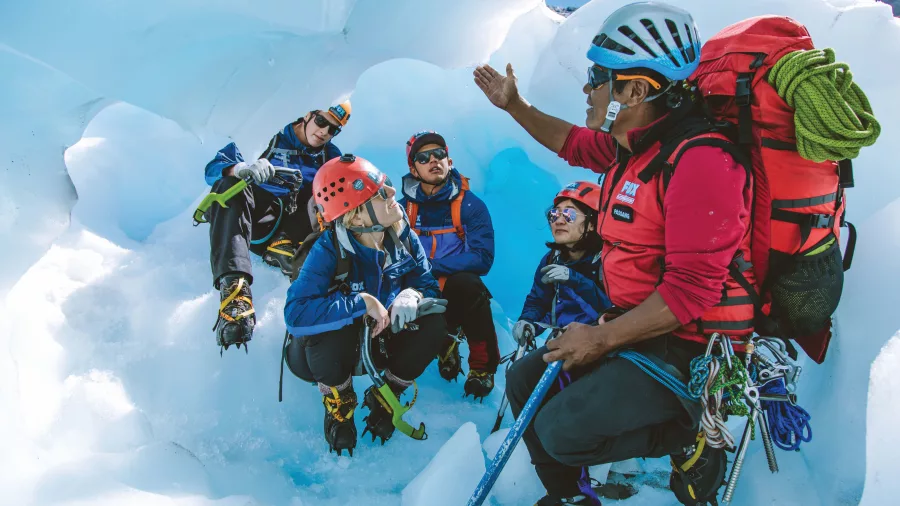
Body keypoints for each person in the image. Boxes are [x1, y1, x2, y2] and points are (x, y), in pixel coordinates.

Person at [475, 2, 753, 505]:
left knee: (563, 431)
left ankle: (686, 435)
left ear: (638, 90)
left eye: (598, 77)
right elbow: (573, 142)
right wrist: (514, 105)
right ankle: (572, 497)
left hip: (685, 346)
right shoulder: (639, 146)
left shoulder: (701, 162)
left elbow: (691, 294)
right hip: (632, 325)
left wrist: (601, 339)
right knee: (524, 379)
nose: (588, 87)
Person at [282, 154, 448, 457]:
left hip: (380, 340)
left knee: (434, 322)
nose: (392, 193)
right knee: (333, 324)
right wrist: (361, 303)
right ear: (356, 217)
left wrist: (411, 296)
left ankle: (387, 395)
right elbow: (296, 313)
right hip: (332, 349)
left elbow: (426, 285)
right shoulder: (329, 248)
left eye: (385, 185)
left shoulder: (402, 235)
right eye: (379, 193)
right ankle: (339, 401)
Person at [203, 102, 350, 351]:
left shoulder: (330, 155)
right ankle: (235, 288)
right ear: (308, 115)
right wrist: (240, 169)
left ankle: (287, 250)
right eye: (322, 122)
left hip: (299, 230)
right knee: (226, 188)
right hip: (256, 222)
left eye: (333, 129)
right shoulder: (268, 134)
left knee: (329, 189)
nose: (324, 132)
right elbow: (212, 170)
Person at [397, 131, 500, 400]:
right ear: (413, 168)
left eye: (439, 154)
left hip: (452, 290)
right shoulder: (400, 209)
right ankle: (443, 344)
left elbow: (482, 257)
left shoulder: (470, 205)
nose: (433, 160)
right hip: (416, 291)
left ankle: (481, 368)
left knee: (470, 285)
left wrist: (432, 267)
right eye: (423, 157)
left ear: (449, 160)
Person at [512, 181, 612, 347]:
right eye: (554, 215)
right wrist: (527, 321)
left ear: (592, 223)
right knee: (518, 373)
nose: (558, 221)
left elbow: (613, 311)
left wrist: (574, 279)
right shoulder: (553, 258)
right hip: (564, 343)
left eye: (569, 215)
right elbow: (538, 301)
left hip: (601, 345)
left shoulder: (608, 261)